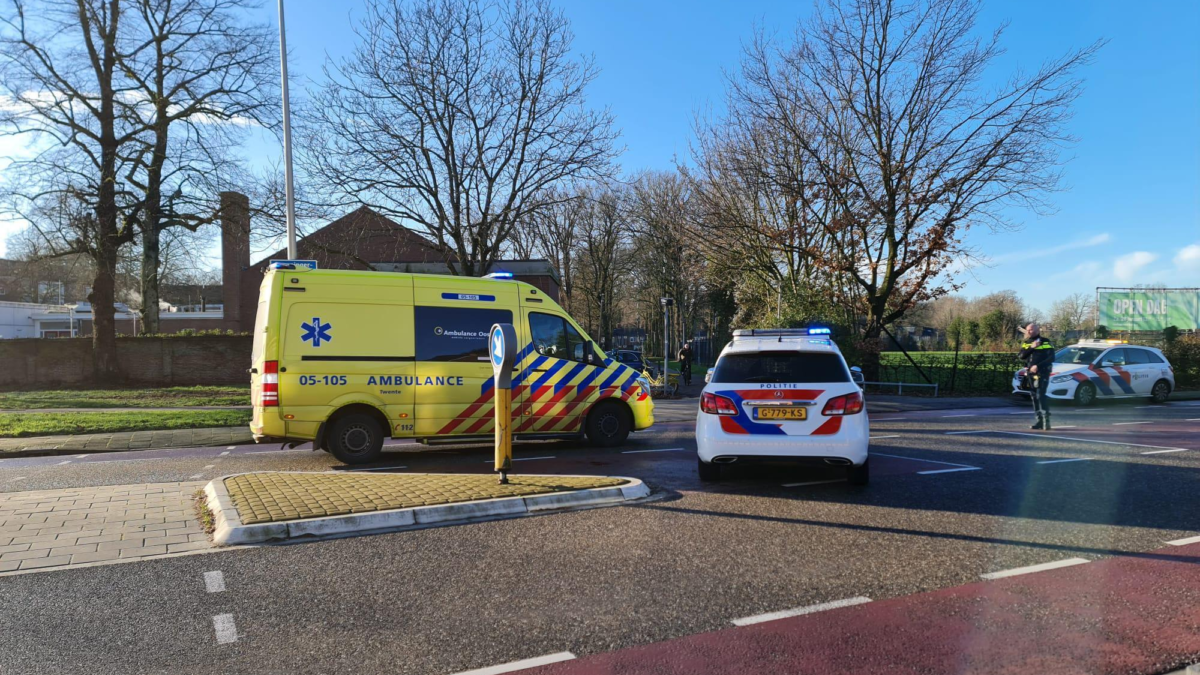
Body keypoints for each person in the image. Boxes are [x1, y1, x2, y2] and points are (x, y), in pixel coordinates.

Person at [1018, 323, 1056, 430]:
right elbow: (1021, 356)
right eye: (1027, 330)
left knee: (1041, 395)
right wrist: (1032, 347)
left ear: (1037, 330)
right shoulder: (1027, 343)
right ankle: (1039, 420)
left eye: (1031, 330)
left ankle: (1046, 421)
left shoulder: (1045, 341)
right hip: (1031, 373)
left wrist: (1037, 366)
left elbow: (1051, 358)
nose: (1029, 332)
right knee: (1034, 396)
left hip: (1043, 372)